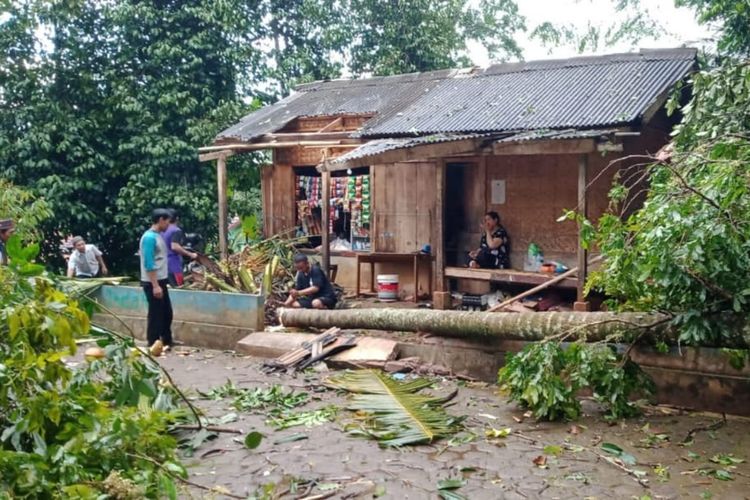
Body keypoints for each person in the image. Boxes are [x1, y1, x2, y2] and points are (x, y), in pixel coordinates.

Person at [140, 209, 173, 350]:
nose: (168, 225)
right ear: (160, 220)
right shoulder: (149, 238)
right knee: (155, 314)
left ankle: (166, 341)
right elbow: (149, 263)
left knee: (166, 312)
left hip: (161, 279)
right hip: (153, 281)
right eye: (167, 221)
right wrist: (155, 285)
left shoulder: (157, 236)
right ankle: (153, 341)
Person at [163, 210, 198, 287]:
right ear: (177, 218)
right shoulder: (176, 230)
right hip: (173, 264)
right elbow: (174, 246)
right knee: (178, 288)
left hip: (162, 264)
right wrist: (190, 254)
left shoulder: (162, 230)